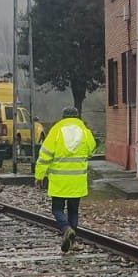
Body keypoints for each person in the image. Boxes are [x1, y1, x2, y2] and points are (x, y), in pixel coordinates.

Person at [34, 107, 97, 252]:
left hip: (59, 180)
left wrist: (39, 175)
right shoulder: (85, 132)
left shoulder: (56, 131)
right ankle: (72, 240)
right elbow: (91, 150)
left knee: (57, 208)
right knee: (73, 211)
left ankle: (66, 228)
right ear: (76, 116)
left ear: (63, 117)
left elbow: (45, 155)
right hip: (77, 181)